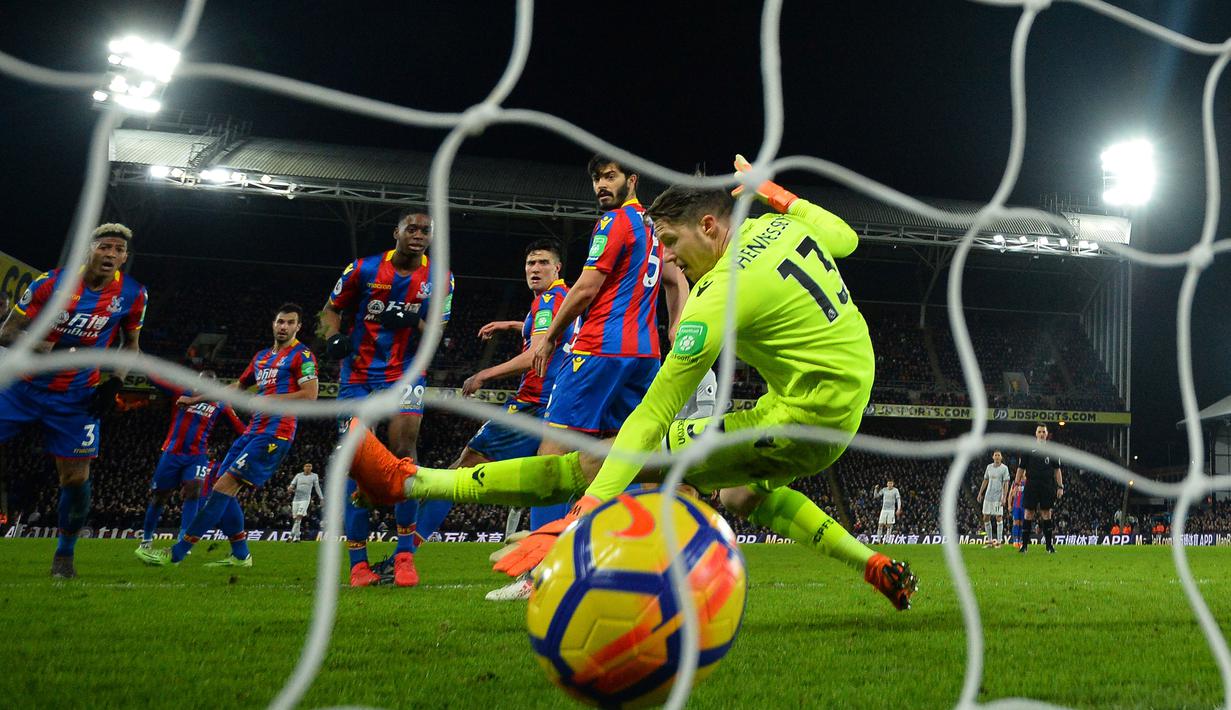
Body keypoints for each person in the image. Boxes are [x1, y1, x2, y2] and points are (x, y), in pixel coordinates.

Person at [347, 157, 917, 610]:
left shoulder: (717, 294)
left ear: (710, 226)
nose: (666, 256)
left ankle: (409, 482)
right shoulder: (777, 226)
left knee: (596, 462)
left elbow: (654, 413)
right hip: (832, 399)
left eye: (670, 242)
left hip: (802, 421)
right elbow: (846, 238)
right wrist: (775, 192)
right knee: (742, 495)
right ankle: (873, 565)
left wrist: (585, 509)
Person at [0, 223, 148, 579]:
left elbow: (130, 347)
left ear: (125, 257)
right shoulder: (51, 283)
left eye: (117, 250)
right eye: (104, 247)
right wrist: (57, 349)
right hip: (22, 386)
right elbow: (7, 332)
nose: (110, 254)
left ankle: (64, 558)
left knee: (75, 480)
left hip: (76, 397)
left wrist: (115, 383)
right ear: (88, 249)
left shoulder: (133, 295)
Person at [320, 209, 453, 587]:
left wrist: (413, 321)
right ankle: (359, 564)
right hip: (357, 377)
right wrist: (332, 338)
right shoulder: (361, 269)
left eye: (426, 231)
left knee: (405, 453)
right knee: (356, 459)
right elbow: (330, 311)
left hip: (406, 373)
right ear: (396, 231)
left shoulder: (441, 278)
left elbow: (437, 332)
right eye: (412, 228)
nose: (419, 234)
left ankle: (405, 556)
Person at [136, 303, 319, 567]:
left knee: (223, 487)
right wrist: (198, 398)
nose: (284, 327)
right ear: (273, 323)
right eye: (280, 321)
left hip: (276, 433)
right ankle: (241, 555)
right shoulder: (261, 357)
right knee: (218, 484)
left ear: (298, 327)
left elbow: (310, 395)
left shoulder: (303, 355)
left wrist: (270, 400)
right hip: (254, 430)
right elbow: (236, 387)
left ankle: (176, 554)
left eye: (290, 323)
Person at [529, 154, 688, 452]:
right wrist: (675, 326)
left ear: (632, 181)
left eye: (610, 176)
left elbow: (586, 289)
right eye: (597, 178)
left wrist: (549, 338)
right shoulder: (653, 225)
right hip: (645, 357)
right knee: (624, 452)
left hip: (600, 349)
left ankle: (547, 501)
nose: (601, 185)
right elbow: (676, 278)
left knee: (553, 449)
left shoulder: (614, 222)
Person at [137, 370, 245, 551]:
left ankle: (183, 541)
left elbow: (240, 428)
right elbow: (157, 379)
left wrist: (261, 435)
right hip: (171, 453)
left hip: (197, 455)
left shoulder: (220, 404)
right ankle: (147, 540)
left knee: (194, 491)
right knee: (159, 497)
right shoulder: (182, 392)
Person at [1013, 423, 1064, 554]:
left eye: (1043, 432)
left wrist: (1060, 486)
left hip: (1047, 485)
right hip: (1031, 484)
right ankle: (1024, 546)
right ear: (1036, 434)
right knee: (1028, 513)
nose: (1041, 434)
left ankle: (1049, 546)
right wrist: (1016, 484)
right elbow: (1021, 468)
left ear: (1047, 434)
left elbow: (1057, 470)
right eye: (1039, 432)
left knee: (1046, 514)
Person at [976, 450, 1011, 547]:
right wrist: (980, 493)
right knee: (985, 517)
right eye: (995, 455)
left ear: (1001, 457)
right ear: (993, 457)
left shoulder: (1004, 468)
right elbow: (986, 480)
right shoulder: (989, 467)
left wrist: (1004, 497)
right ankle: (990, 541)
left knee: (998, 517)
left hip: (998, 497)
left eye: (998, 455)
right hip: (988, 496)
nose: (997, 457)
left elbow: (1006, 483)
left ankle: (999, 542)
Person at [287, 463, 323, 542]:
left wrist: (321, 498)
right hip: (296, 499)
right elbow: (292, 485)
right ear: (303, 468)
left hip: (305, 499)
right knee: (296, 519)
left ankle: (291, 535)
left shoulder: (314, 476)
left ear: (311, 468)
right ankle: (297, 537)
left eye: (310, 466)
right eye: (306, 466)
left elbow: (317, 487)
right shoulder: (298, 475)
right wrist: (290, 488)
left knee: (299, 516)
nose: (308, 468)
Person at [1008, 476, 1025, 548]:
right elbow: (1010, 494)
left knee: (1022, 523)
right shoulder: (1015, 482)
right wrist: (1009, 505)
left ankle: (1021, 540)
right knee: (1016, 522)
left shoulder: (1027, 481)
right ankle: (1015, 541)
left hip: (1024, 505)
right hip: (1016, 505)